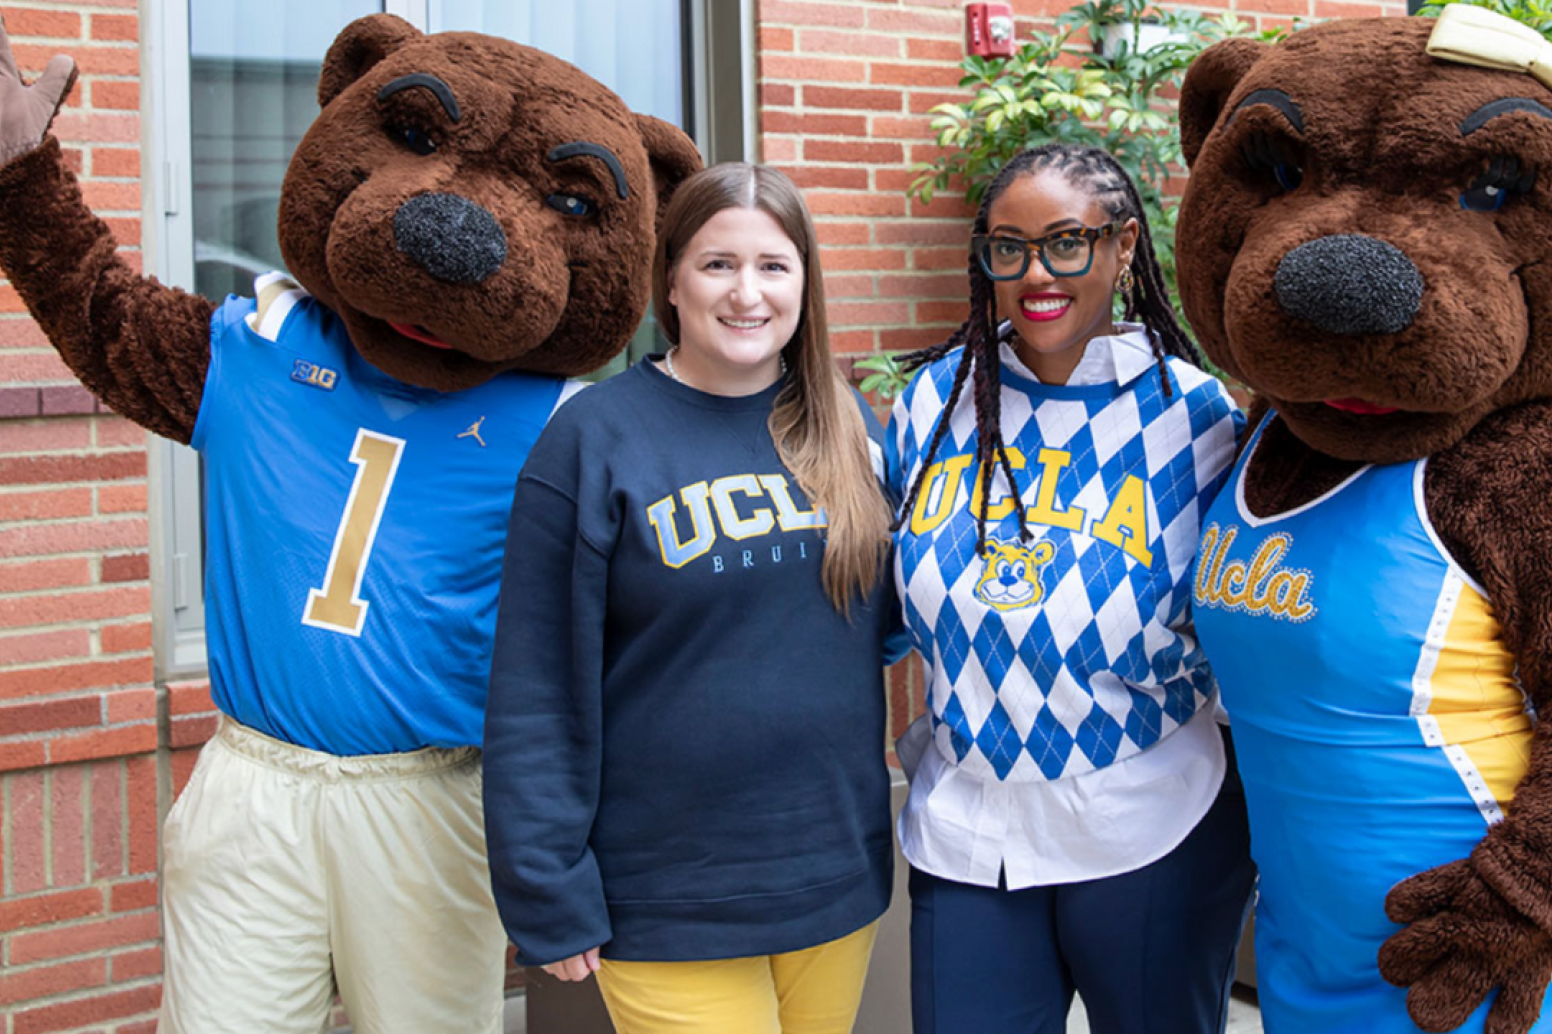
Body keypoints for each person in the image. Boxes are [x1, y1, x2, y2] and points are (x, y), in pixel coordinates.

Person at [483, 162, 901, 1034]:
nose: (746, 293)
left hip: (831, 873)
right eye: (717, 265)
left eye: (773, 266)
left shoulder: (847, 427)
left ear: (804, 282)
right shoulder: (592, 439)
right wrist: (544, 883)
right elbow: (536, 685)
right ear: (670, 279)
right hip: (668, 892)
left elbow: (890, 623)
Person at [886, 143, 1255, 1034]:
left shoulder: (1197, 419)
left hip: (1147, 819)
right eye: (1007, 248)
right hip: (969, 827)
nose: (1034, 273)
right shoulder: (936, 404)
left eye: (1065, 242)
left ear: (1124, 246)